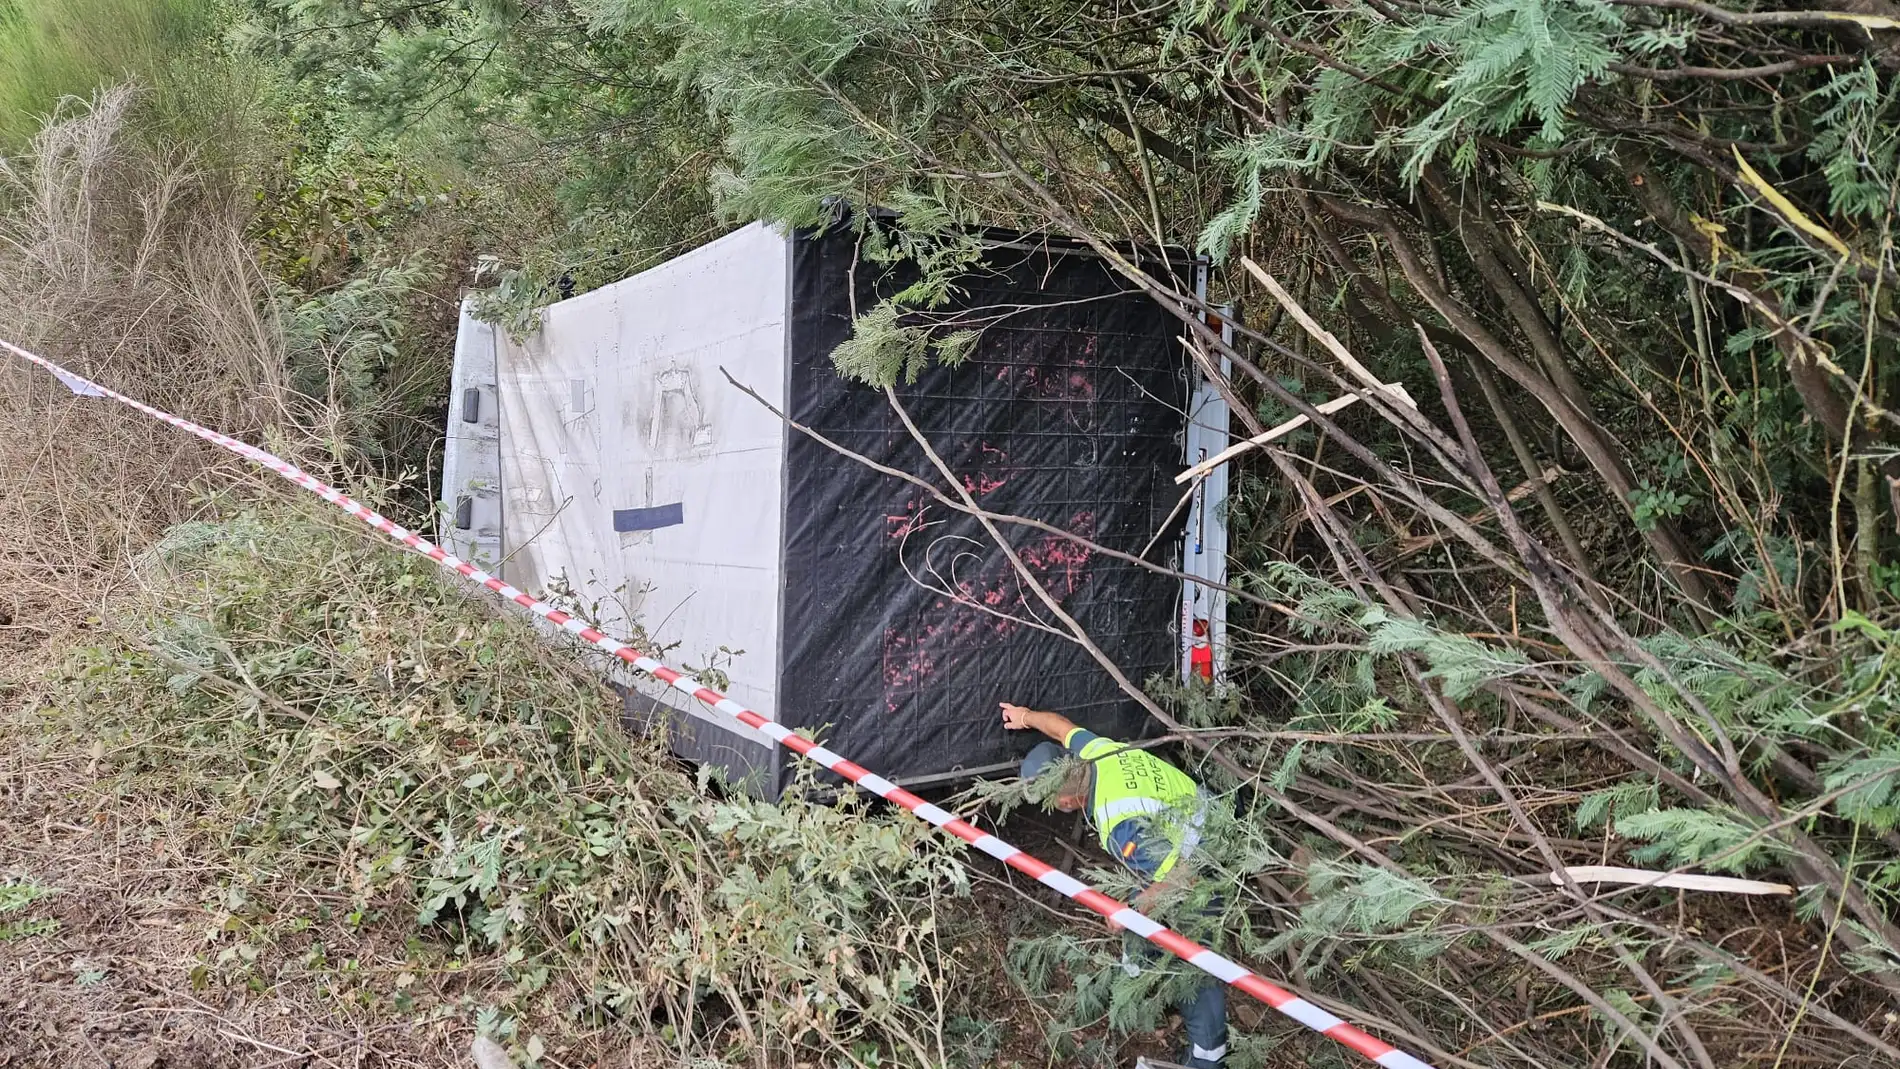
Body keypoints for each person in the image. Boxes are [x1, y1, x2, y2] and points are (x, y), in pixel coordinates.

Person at [1001, 701, 1227, 1069]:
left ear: (1067, 800)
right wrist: (1024, 717)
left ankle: (1208, 1056)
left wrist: (1133, 912)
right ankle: (1140, 983)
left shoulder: (1118, 820)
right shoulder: (1095, 752)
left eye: (1048, 800)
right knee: (1143, 912)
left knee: (1190, 957)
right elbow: (1060, 727)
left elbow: (1184, 878)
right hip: (1197, 819)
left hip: (1208, 859)